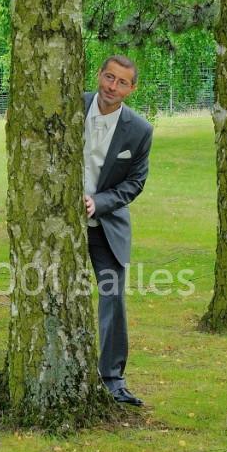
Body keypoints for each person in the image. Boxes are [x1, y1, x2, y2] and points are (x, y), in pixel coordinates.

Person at [82, 55, 153, 406]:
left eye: (121, 82)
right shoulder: (72, 107)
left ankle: (112, 379)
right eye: (108, 77)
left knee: (112, 299)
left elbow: (135, 182)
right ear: (99, 75)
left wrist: (100, 202)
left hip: (106, 227)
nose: (112, 87)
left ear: (132, 88)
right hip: (61, 228)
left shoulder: (139, 131)